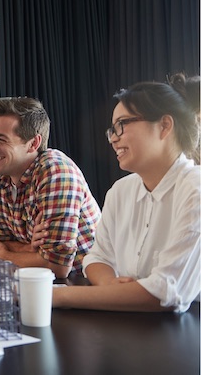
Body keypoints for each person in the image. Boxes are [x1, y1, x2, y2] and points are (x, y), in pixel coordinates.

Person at [52, 77, 200, 312]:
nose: (113, 138)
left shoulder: (195, 189)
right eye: (112, 129)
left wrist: (58, 296)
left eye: (122, 124)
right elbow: (96, 258)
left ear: (164, 126)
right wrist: (111, 284)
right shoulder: (121, 191)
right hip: (131, 325)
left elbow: (164, 293)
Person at [0, 97, 101, 278]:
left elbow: (58, 267)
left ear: (33, 144)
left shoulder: (56, 171)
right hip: (31, 280)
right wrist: (32, 247)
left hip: (84, 282)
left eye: (2, 139)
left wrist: (6, 255)